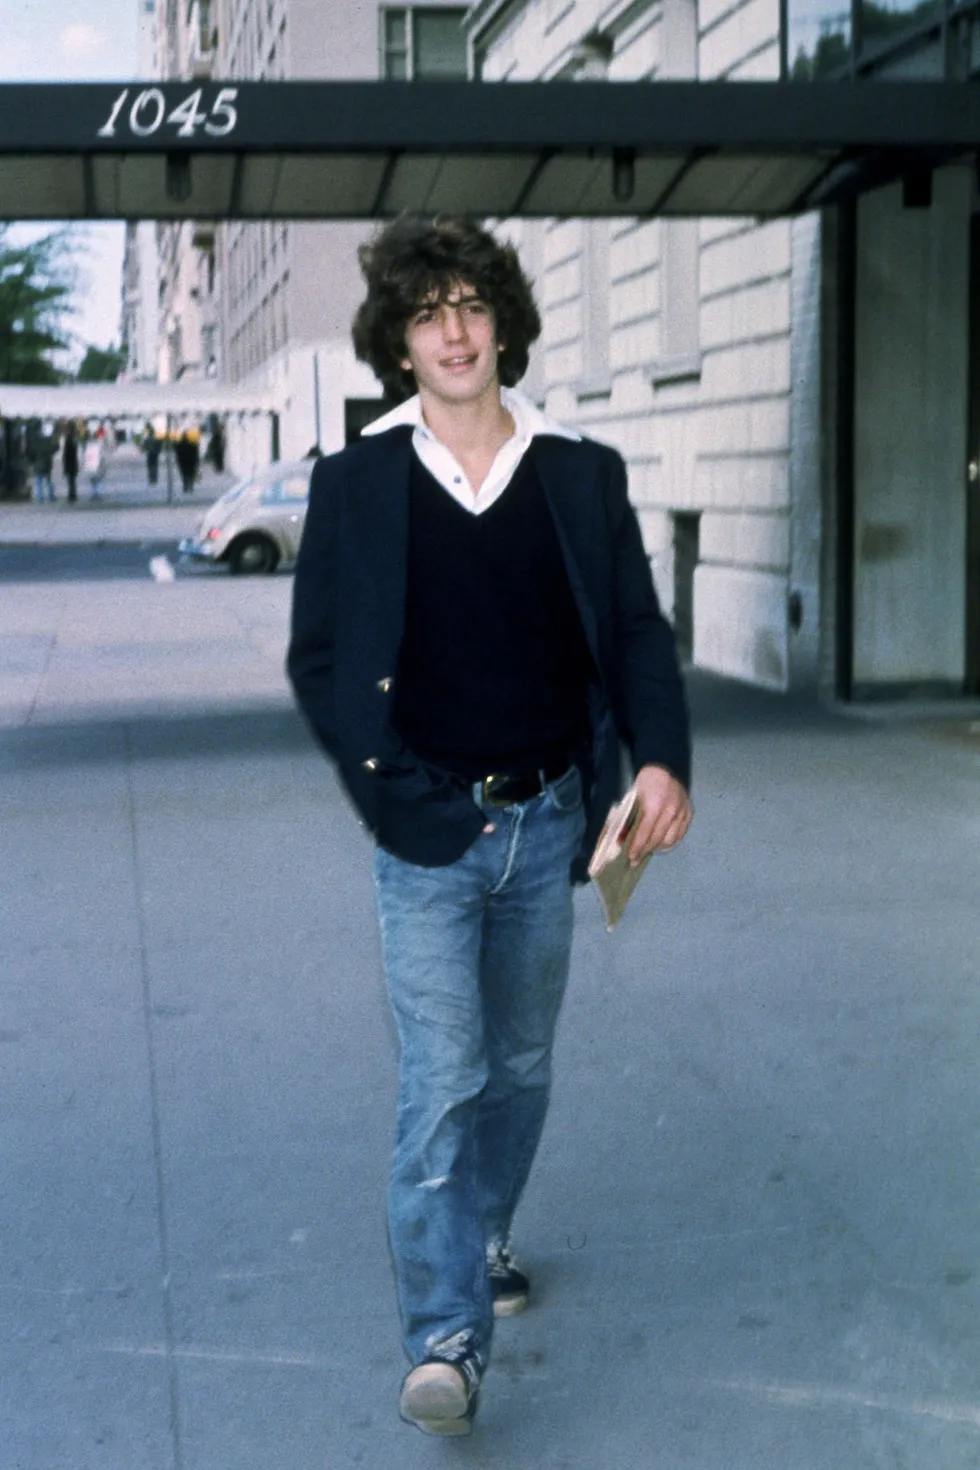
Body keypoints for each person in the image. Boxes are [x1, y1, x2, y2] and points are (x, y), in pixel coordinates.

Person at [287, 216, 692, 1438]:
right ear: (398, 343)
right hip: (426, 833)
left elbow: (634, 631)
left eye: (470, 306)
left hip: (551, 820)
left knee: (516, 1069)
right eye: (427, 314)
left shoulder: (578, 472)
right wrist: (390, 800)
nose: (453, 332)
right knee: (443, 1076)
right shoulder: (355, 481)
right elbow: (319, 659)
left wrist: (659, 760)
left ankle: (485, 1229)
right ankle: (445, 1338)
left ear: (503, 326)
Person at [31, 431, 56, 502]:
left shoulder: (36, 444)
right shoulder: (48, 443)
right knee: (48, 480)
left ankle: (40, 497)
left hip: (38, 465)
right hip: (47, 464)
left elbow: (32, 454)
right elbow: (54, 449)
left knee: (39, 481)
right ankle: (51, 495)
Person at [83, 429, 106, 500]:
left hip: (91, 465)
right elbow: (101, 456)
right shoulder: (98, 445)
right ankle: (96, 493)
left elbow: (86, 455)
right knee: (97, 480)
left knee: (93, 481)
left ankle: (95, 493)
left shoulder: (89, 445)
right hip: (96, 465)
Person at [174, 429, 199, 494]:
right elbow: (195, 454)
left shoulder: (180, 446)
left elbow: (178, 454)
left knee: (184, 475)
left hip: (183, 463)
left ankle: (185, 487)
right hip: (190, 463)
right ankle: (190, 487)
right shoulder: (191, 445)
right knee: (190, 475)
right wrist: (196, 462)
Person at [61, 424, 79, 502]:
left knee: (70, 481)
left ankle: (71, 495)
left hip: (69, 463)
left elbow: (66, 454)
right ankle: (73, 494)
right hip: (73, 463)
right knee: (72, 481)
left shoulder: (68, 439)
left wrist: (64, 464)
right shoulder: (73, 439)